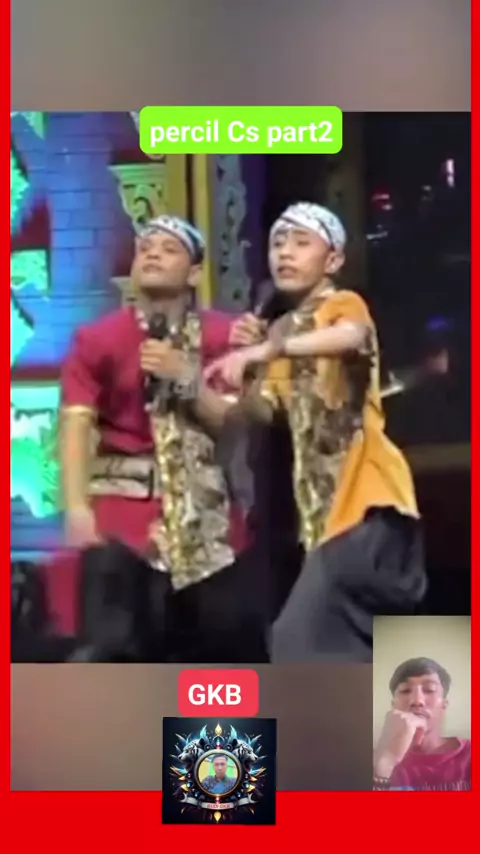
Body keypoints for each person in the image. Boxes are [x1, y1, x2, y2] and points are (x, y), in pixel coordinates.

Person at [206, 202, 427, 662]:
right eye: (277, 243)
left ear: (333, 260)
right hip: (325, 517)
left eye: (300, 242)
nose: (285, 252)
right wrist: (235, 375)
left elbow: (352, 337)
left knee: (295, 638)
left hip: (368, 502)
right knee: (351, 646)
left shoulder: (340, 306)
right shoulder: (283, 330)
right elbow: (263, 412)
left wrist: (266, 350)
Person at [59, 214, 268, 663]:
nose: (152, 254)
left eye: (169, 249)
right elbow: (76, 424)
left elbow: (233, 424)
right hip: (121, 523)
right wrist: (76, 508)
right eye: (145, 248)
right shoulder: (97, 339)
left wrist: (187, 377)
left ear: (194, 272)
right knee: (111, 659)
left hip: (209, 526)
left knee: (220, 662)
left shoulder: (224, 335)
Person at [373, 657, 471, 790]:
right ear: (393, 705)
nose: (417, 701)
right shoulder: (372, 759)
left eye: (429, 690)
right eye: (405, 690)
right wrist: (385, 762)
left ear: (444, 705)